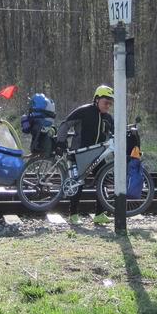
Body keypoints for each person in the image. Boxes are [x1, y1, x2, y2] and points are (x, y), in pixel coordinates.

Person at [55, 85, 115, 225]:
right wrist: (60, 142)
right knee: (78, 183)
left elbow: (114, 134)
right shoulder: (84, 111)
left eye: (110, 103)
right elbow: (65, 125)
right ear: (97, 99)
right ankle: (73, 215)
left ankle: (99, 214)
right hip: (79, 153)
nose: (108, 106)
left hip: (98, 155)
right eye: (106, 102)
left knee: (103, 182)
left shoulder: (108, 118)